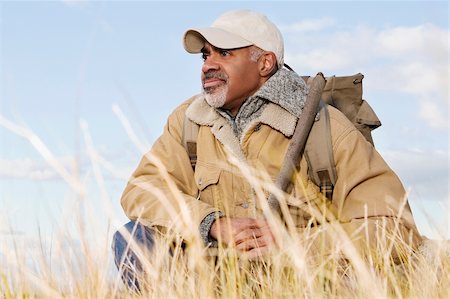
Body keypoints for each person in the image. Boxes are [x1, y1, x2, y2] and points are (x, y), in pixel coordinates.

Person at [112, 10, 421, 289]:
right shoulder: (188, 120)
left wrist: (293, 244)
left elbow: (395, 229)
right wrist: (211, 223)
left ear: (265, 62)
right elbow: (142, 190)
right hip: (215, 278)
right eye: (205, 55)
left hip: (300, 281)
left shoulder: (324, 126)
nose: (208, 65)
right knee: (133, 239)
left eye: (224, 52)